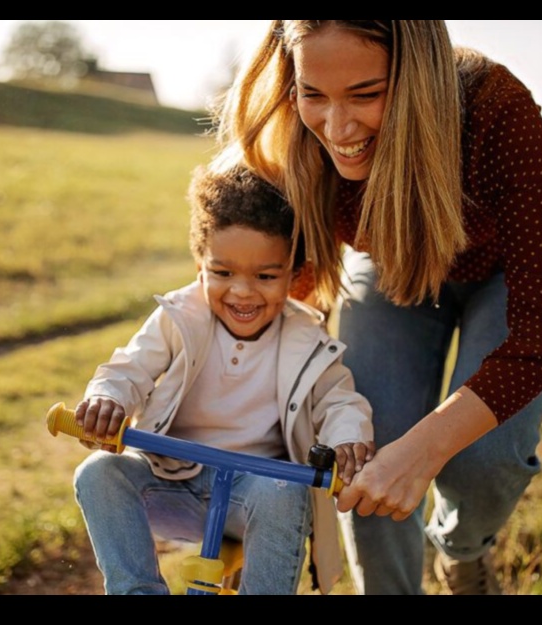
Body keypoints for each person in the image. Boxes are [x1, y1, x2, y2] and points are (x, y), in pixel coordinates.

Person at [211, 20, 542, 595]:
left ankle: (462, 552)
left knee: (479, 462)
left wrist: (423, 450)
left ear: (420, 76)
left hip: (505, 266)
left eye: (367, 94)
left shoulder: (495, 108)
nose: (336, 129)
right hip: (392, 263)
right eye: (314, 94)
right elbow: (273, 293)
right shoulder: (290, 141)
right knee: (361, 448)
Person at [71, 163, 375, 595]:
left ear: (293, 273)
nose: (243, 292)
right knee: (99, 472)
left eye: (266, 276)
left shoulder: (306, 340)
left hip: (255, 497)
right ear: (200, 263)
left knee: (285, 490)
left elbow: (339, 402)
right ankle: (136, 589)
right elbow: (130, 368)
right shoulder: (180, 318)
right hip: (170, 479)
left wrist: (349, 437)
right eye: (223, 273)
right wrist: (109, 399)